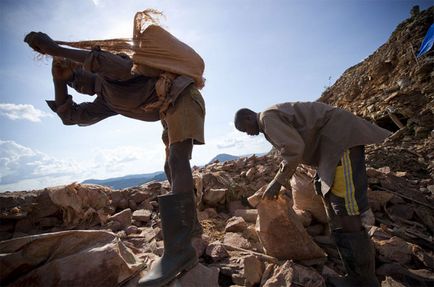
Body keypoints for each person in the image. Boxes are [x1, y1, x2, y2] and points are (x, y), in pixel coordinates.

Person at [24, 31, 205, 287]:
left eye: (78, 77)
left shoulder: (119, 66)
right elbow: (71, 117)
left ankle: (178, 251)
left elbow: (100, 61)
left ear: (89, 69)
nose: (79, 84)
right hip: (169, 108)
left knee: (178, 160)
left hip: (184, 96)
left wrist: (55, 50)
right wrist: (59, 81)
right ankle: (190, 235)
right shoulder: (107, 100)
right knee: (171, 168)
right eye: (75, 83)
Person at [234, 101, 391, 287]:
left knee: (344, 207)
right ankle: (354, 273)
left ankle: (364, 280)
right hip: (330, 147)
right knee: (333, 203)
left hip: (339, 142)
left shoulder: (267, 118)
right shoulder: (269, 119)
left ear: (249, 117)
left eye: (245, 129)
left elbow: (293, 149)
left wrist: (277, 183)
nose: (248, 134)